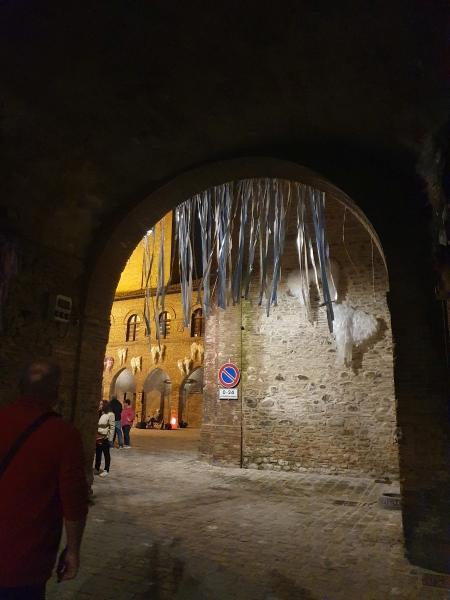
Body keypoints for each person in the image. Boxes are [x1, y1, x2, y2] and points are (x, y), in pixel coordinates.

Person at [0, 360, 88, 599]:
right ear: (56, 392)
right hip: (23, 562)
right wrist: (73, 550)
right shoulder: (64, 435)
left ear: (19, 387)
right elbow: (74, 502)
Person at [94, 401, 114, 477]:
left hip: (105, 437)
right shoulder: (99, 413)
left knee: (106, 453)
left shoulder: (110, 414)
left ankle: (106, 469)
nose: (100, 405)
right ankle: (97, 468)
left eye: (101, 404)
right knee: (98, 452)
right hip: (98, 435)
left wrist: (110, 438)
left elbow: (112, 427)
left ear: (105, 405)